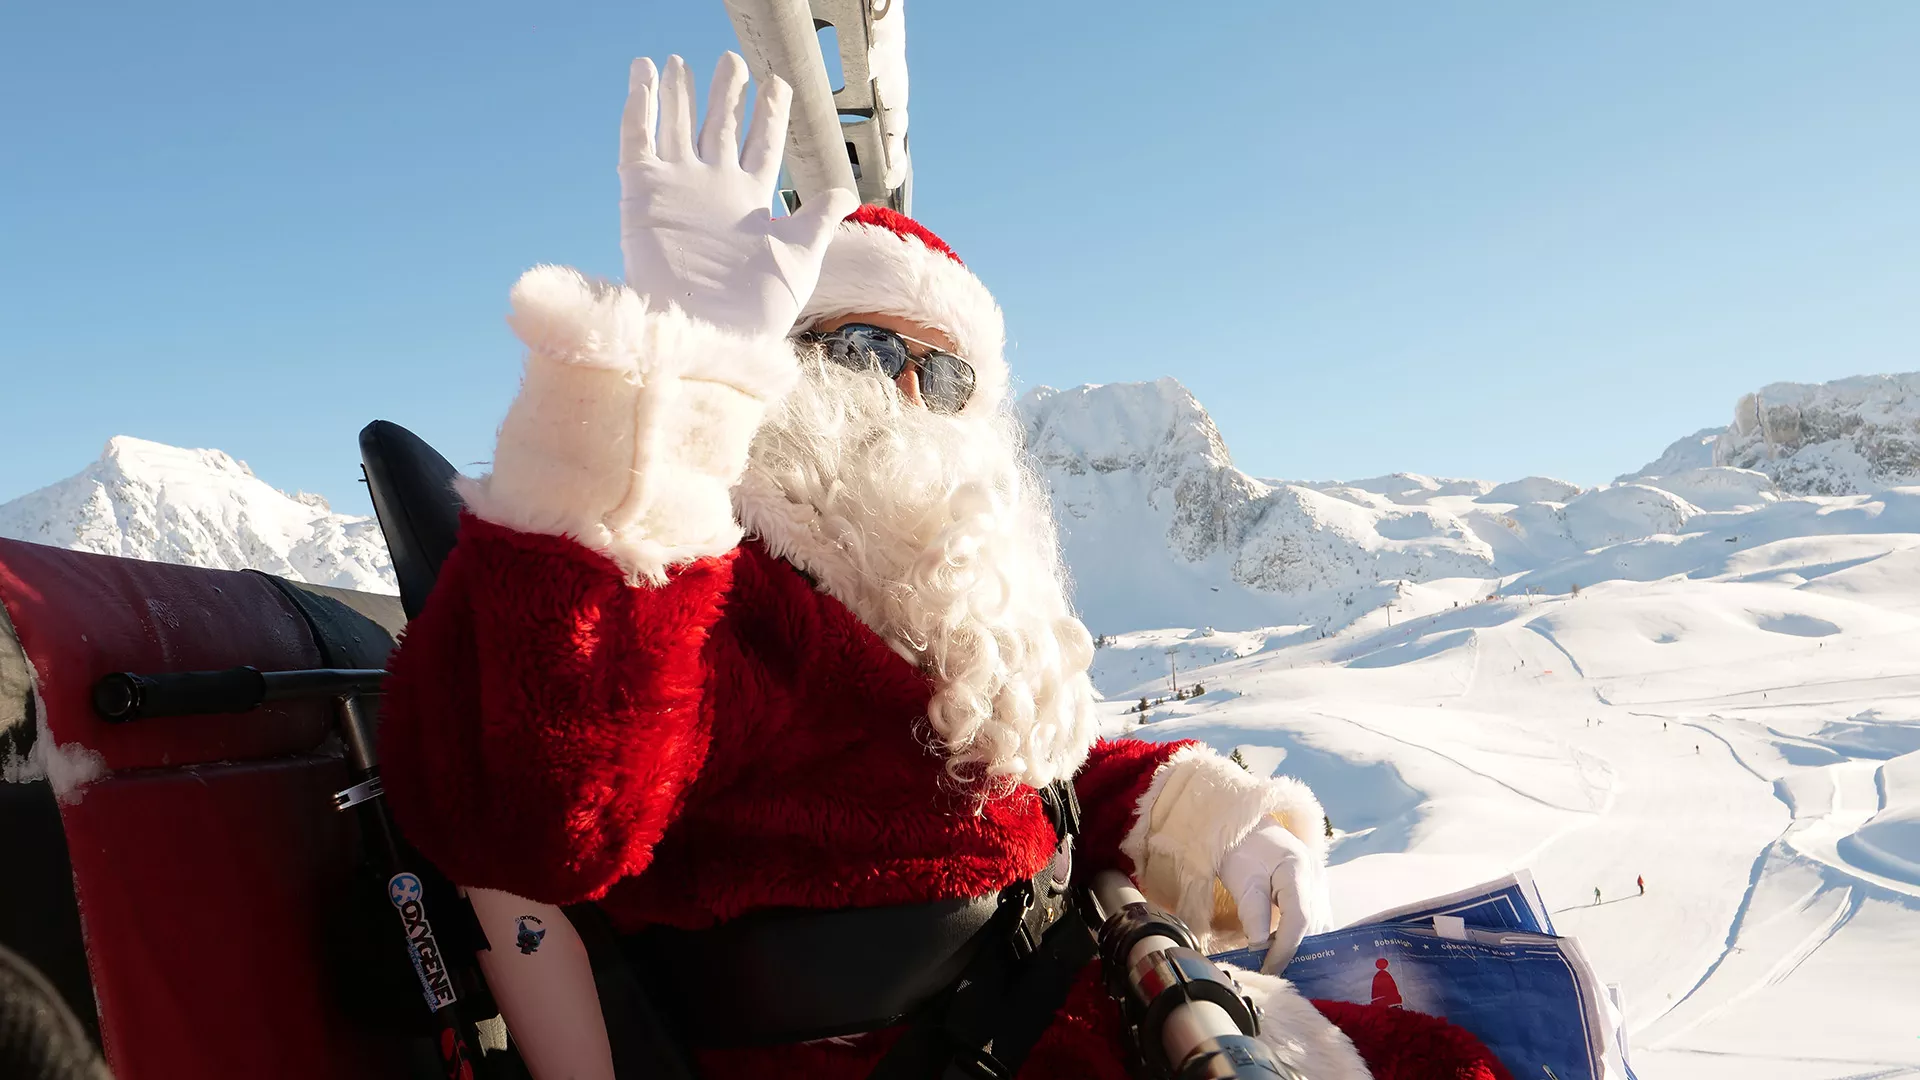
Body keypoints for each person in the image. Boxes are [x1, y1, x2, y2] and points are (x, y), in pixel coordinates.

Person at [376, 53, 1499, 1080]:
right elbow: (544, 812)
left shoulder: (947, 594)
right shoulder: (710, 586)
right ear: (778, 362)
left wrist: (1219, 816)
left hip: (1055, 990)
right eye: (863, 348)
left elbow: (1031, 781)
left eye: (945, 374)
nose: (908, 397)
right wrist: (665, 399)